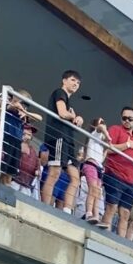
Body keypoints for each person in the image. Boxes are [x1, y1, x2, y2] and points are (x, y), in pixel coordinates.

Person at [41, 71, 83, 213]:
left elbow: (68, 115)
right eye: (73, 80)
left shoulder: (68, 100)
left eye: (78, 82)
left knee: (75, 178)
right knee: (54, 172)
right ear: (64, 80)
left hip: (68, 140)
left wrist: (77, 119)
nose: (75, 84)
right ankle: (45, 207)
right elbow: (62, 113)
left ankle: (66, 210)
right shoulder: (60, 92)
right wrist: (73, 116)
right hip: (58, 137)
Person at [102, 108, 133, 239]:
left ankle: (120, 241)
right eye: (124, 118)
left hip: (131, 181)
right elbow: (108, 148)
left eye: (130, 119)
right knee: (111, 207)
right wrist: (127, 144)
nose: (127, 121)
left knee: (125, 213)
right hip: (114, 173)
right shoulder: (115, 129)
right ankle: (104, 235)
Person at [81, 118, 111, 224]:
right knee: (93, 188)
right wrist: (108, 136)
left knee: (97, 192)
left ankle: (96, 215)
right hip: (91, 164)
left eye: (104, 121)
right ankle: (89, 212)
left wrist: (107, 148)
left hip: (98, 166)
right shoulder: (95, 134)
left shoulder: (99, 142)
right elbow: (101, 128)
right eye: (101, 121)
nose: (103, 124)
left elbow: (101, 159)